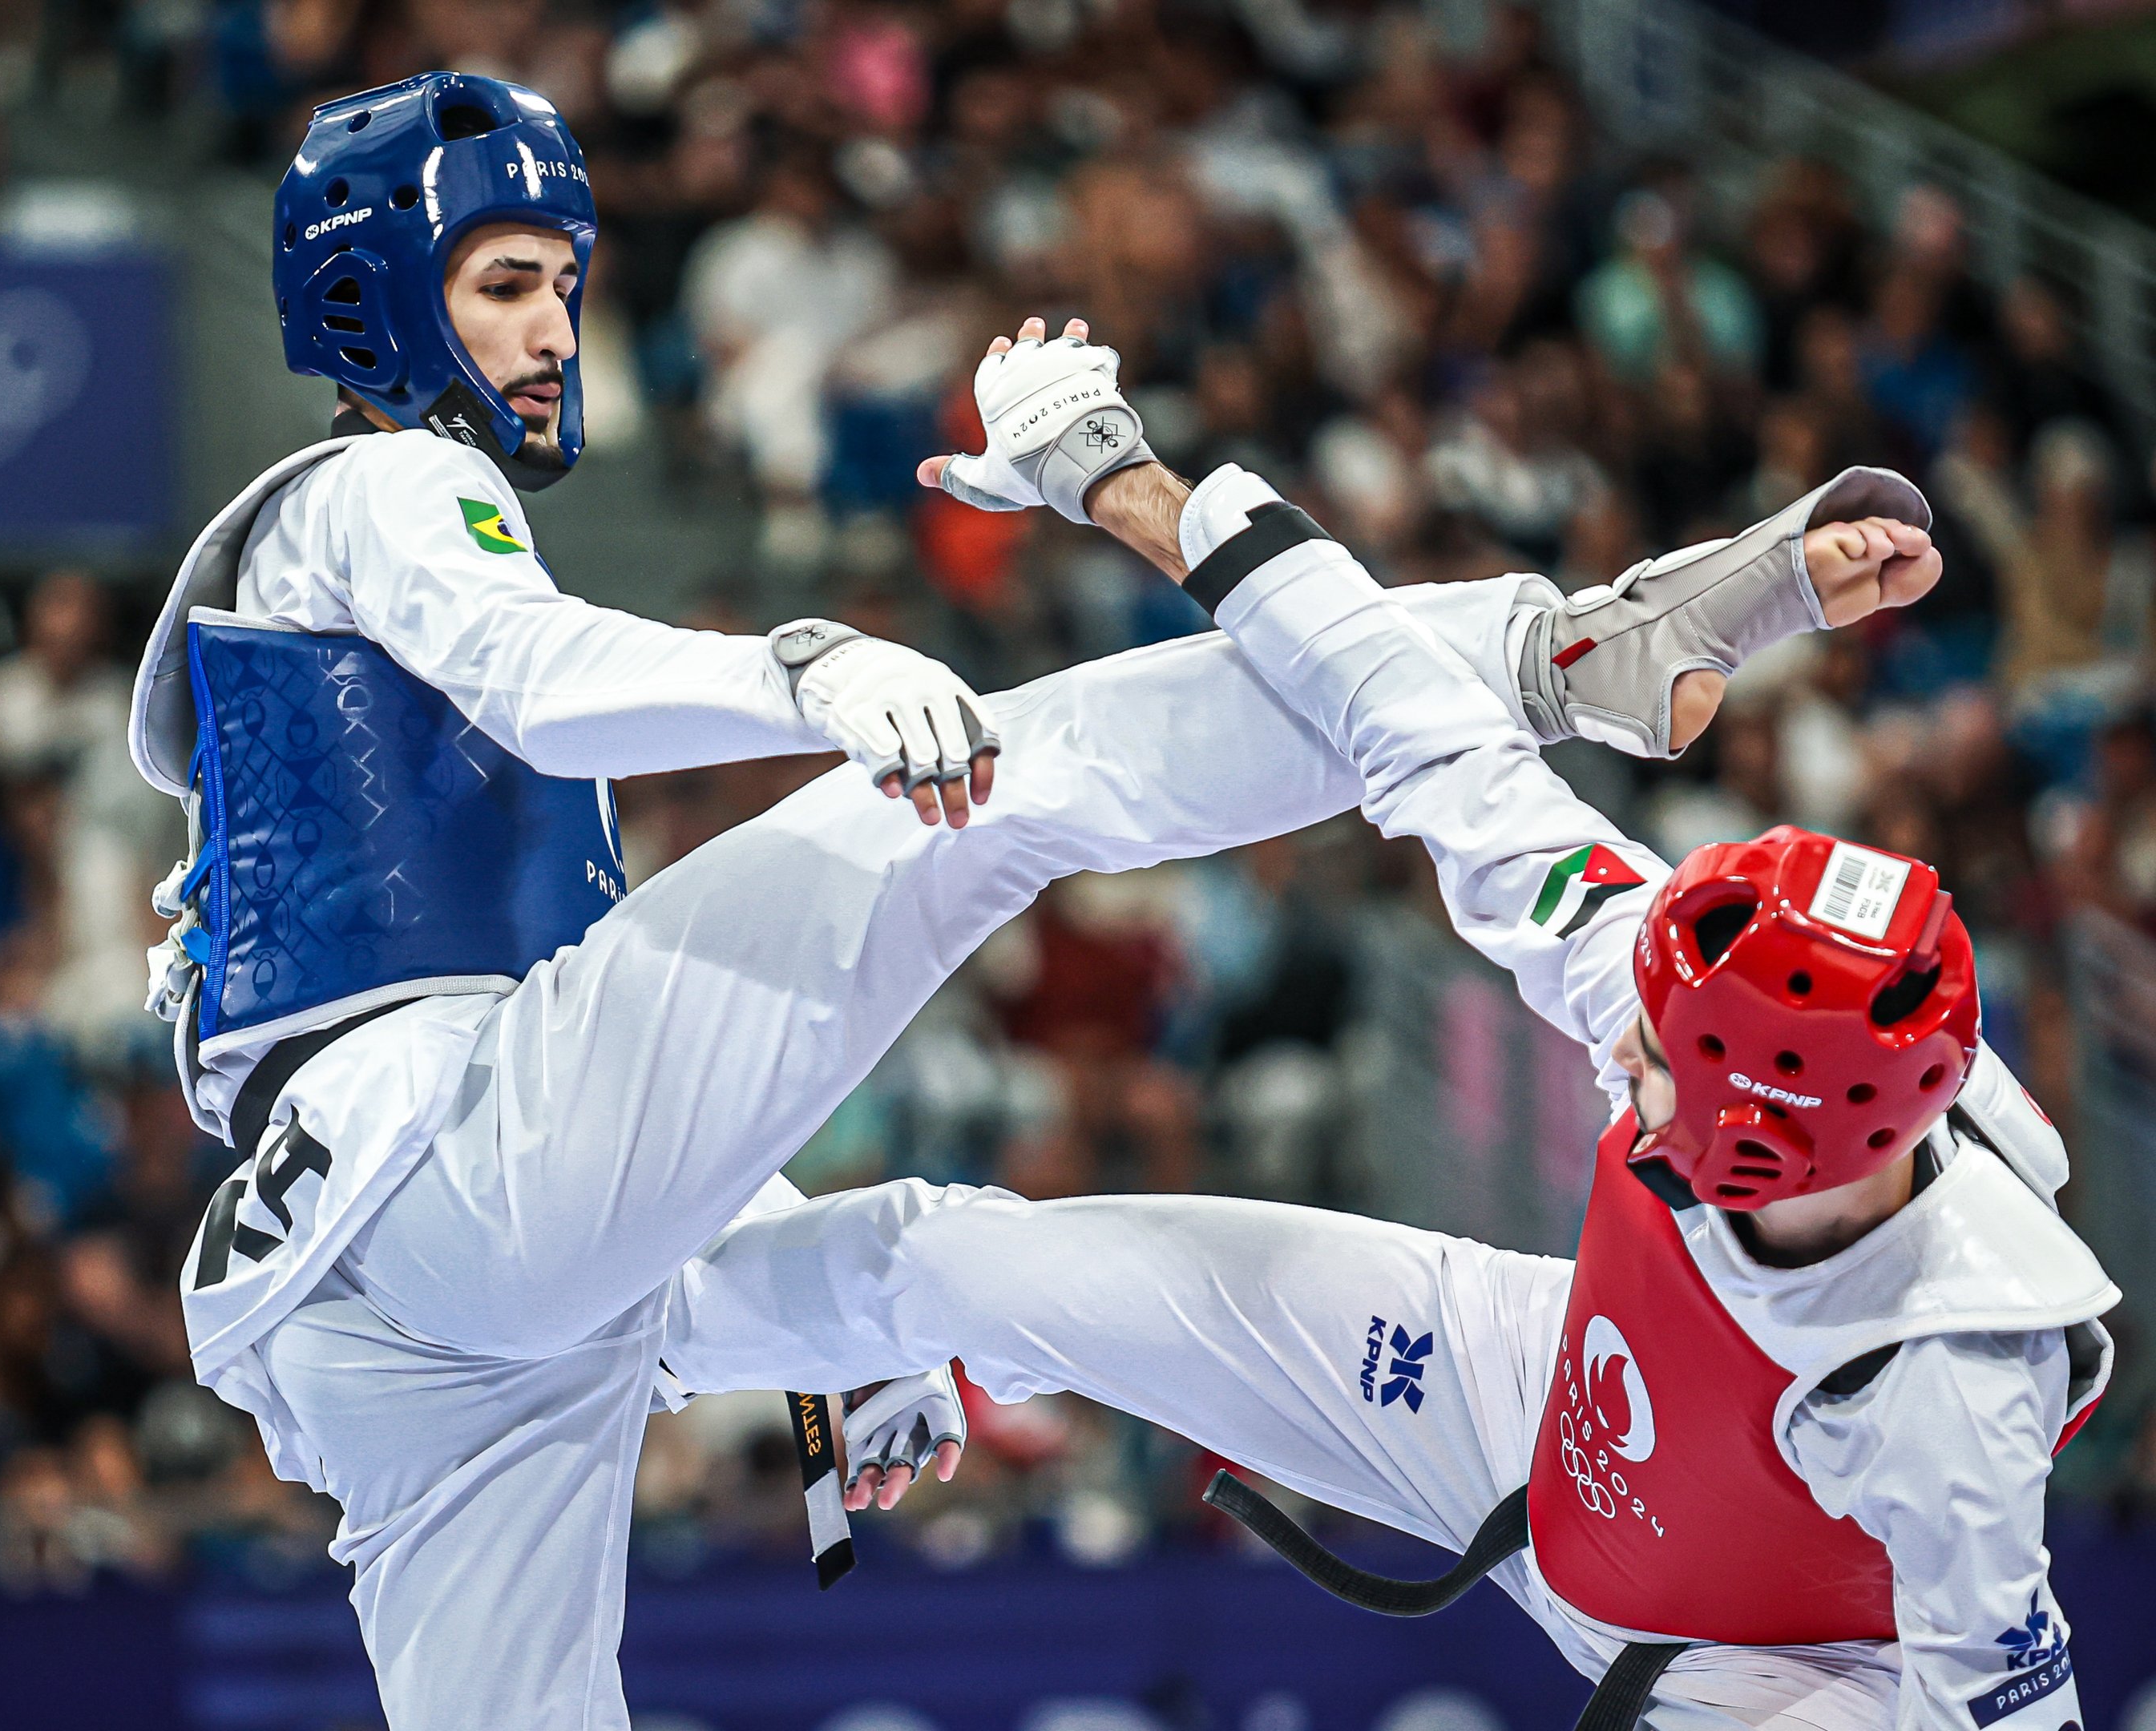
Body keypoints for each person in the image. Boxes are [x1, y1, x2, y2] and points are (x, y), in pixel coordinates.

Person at [143, 74, 1948, 1728]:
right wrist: (804, 666)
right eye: (508, 284)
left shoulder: (340, 671)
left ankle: (1558, 658)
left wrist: (843, 1334)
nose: (555, 333)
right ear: (378, 294)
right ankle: (1548, 652)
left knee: (928, 1262)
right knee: (983, 788)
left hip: (397, 1312)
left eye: (564, 285)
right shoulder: (385, 482)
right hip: (450, 1177)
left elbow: (589, 1066)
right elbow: (531, 677)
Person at [661, 325, 2113, 1730]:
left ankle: (1590, 638)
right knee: (963, 1263)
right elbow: (1418, 728)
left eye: (1658, 1063)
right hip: (1529, 1390)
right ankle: (595, 1327)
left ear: (1772, 1121)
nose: (1617, 1048)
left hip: (1769, 1672)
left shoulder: (1952, 1389)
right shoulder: (1700, 988)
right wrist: (1110, 472)